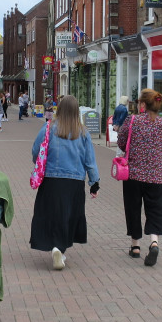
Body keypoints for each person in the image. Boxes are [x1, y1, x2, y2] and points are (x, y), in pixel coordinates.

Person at [29, 95, 100, 271]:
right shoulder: (83, 132)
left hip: (51, 180)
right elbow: (89, 160)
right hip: (74, 182)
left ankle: (55, 246)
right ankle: (59, 248)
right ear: (77, 111)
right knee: (69, 215)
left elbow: (36, 151)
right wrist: (94, 182)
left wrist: (39, 164)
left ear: (59, 109)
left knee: (50, 214)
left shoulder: (48, 128)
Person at [118, 88, 162, 267]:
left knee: (133, 209)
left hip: (133, 174)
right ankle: (154, 242)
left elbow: (121, 142)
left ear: (142, 104)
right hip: (156, 176)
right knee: (155, 210)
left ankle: (135, 246)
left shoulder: (132, 121)